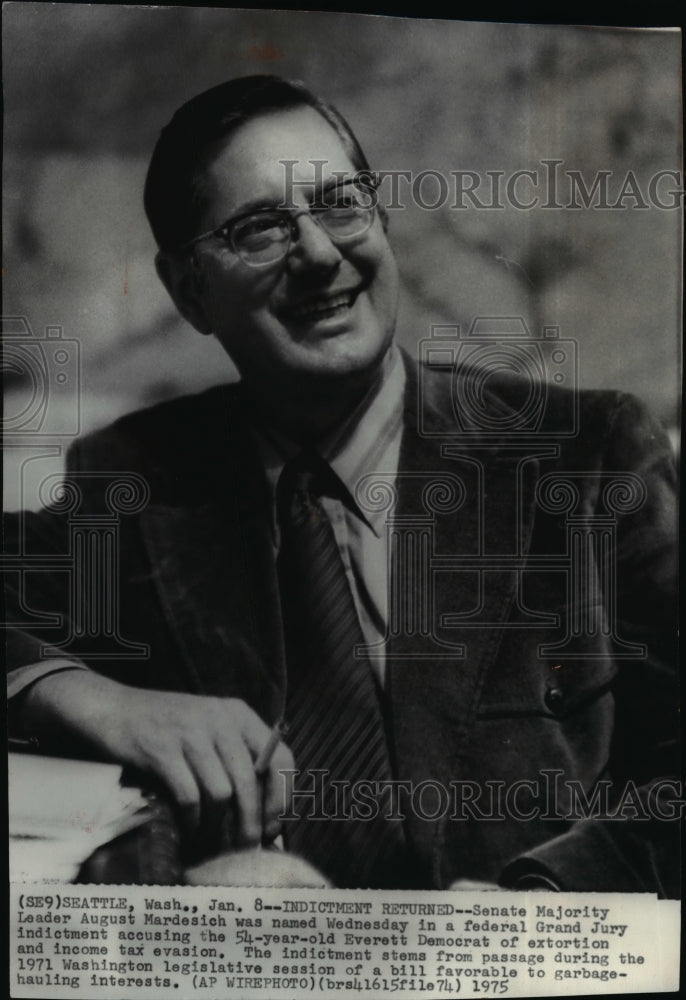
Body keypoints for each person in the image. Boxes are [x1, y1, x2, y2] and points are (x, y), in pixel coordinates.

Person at [5, 75, 679, 894]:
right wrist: (78, 693)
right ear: (188, 290)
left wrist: (541, 903)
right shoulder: (137, 480)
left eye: (340, 203)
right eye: (259, 229)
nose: (320, 253)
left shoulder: (588, 456)